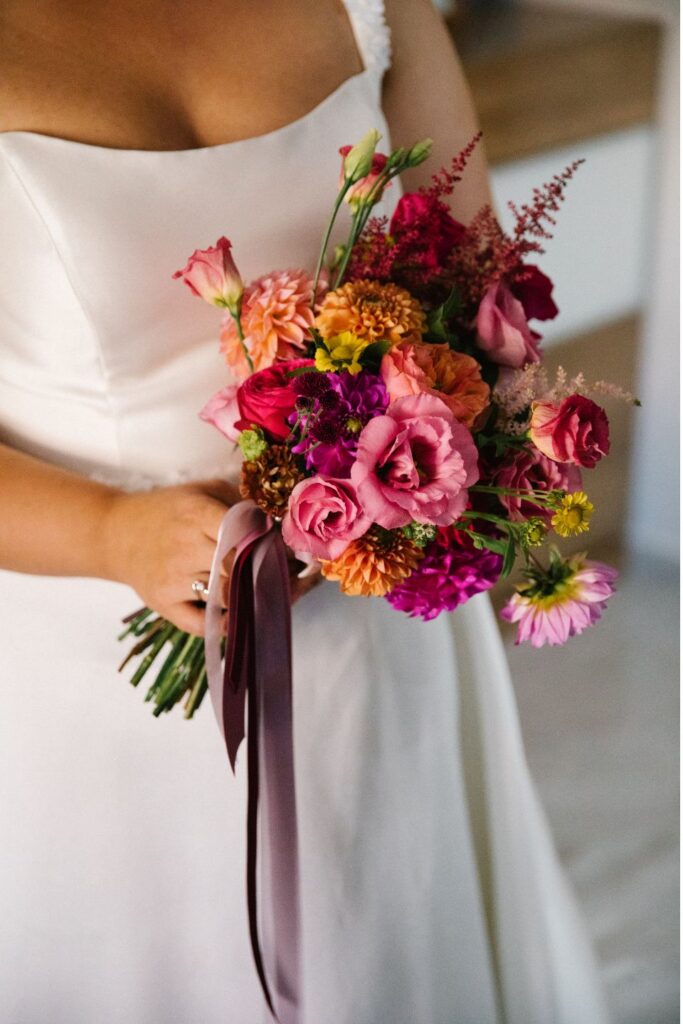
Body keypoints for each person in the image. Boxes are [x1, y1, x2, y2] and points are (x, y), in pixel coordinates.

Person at [0, 1, 610, 1021]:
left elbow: (481, 292)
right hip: (88, 667)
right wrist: (111, 533)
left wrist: (446, 447)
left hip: (371, 629)